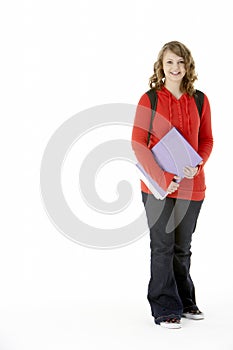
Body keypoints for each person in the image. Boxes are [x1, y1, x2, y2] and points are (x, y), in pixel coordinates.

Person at [131, 41, 213, 329]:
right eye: (169, 63)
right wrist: (164, 178)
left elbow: (207, 140)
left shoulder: (200, 100)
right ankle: (165, 308)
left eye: (180, 62)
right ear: (161, 66)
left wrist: (199, 163)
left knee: (183, 248)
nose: (175, 68)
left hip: (192, 186)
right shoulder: (150, 99)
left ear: (187, 65)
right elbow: (138, 143)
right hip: (157, 187)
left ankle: (186, 301)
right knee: (162, 247)